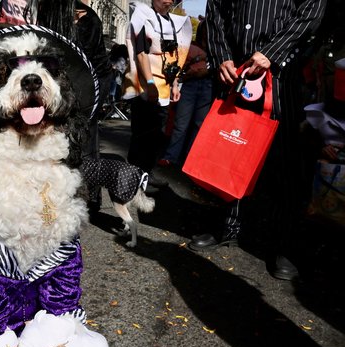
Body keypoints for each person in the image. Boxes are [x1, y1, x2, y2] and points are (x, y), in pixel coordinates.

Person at [188, 0, 326, 281]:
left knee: (283, 163)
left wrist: (271, 54)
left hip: (281, 76)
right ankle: (227, 225)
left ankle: (282, 244)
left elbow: (311, 12)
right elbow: (216, 11)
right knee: (231, 149)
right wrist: (222, 56)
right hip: (236, 74)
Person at [25, 0, 112, 213]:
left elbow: (80, 60)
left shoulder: (88, 19)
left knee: (84, 134)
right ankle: (57, 189)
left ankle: (89, 196)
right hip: (69, 76)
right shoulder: (52, 16)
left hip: (92, 79)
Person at [125, 0, 192, 191]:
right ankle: (132, 176)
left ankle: (146, 172)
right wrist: (151, 84)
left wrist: (176, 84)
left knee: (156, 134)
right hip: (145, 86)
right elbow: (140, 54)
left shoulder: (173, 23)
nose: (168, 2)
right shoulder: (142, 17)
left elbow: (175, 56)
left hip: (164, 87)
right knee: (141, 132)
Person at [158, 18, 213, 167]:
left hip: (208, 87)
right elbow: (177, 68)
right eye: (206, 29)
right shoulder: (191, 47)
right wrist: (188, 76)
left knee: (199, 126)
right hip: (190, 86)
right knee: (181, 123)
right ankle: (171, 156)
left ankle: (190, 160)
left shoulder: (217, 49)